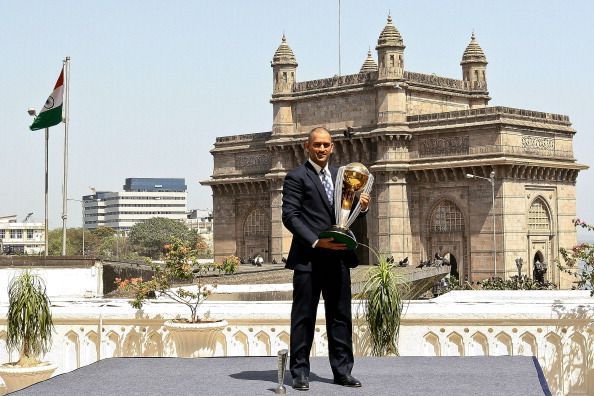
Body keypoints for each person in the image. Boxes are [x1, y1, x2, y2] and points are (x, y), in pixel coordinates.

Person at [282, 126, 370, 391]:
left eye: (326, 145)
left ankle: (342, 371)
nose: (321, 149)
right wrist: (316, 240)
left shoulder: (342, 177)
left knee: (341, 317)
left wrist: (361, 208)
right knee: (303, 317)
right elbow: (291, 216)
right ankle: (299, 373)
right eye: (317, 145)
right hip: (309, 258)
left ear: (332, 147)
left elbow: (344, 217)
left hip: (338, 259)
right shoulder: (296, 177)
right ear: (307, 147)